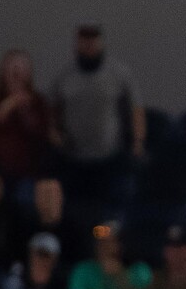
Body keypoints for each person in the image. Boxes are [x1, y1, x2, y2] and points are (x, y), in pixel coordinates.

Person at [50, 24, 144, 187]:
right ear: (77, 43)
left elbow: (136, 109)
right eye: (84, 40)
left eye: (93, 40)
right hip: (74, 159)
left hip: (110, 158)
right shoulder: (63, 77)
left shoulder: (119, 74)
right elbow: (51, 113)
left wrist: (138, 142)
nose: (89, 45)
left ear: (101, 42)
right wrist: (56, 137)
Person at [67, 222, 152, 289]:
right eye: (101, 242)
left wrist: (120, 277)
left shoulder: (139, 270)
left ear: (121, 244)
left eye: (110, 242)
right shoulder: (83, 271)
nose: (104, 247)